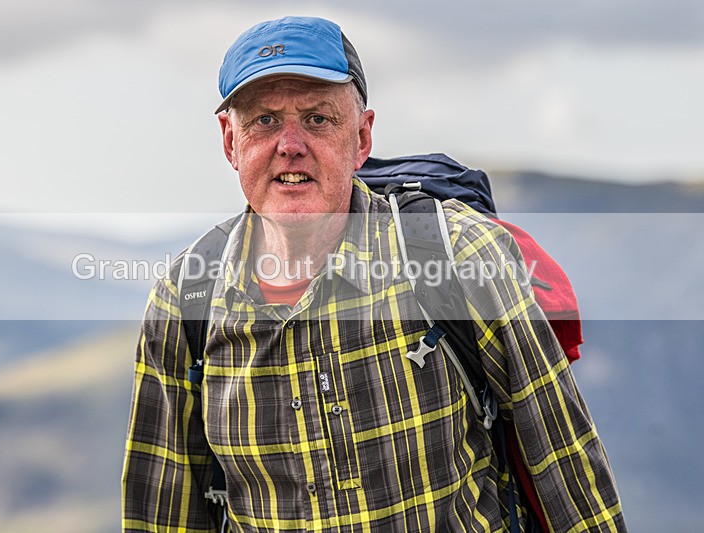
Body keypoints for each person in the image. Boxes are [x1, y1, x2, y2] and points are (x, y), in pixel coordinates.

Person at [122, 16, 626, 532]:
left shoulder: (461, 257)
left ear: (361, 138)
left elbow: (568, 472)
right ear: (231, 141)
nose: (290, 144)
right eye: (265, 121)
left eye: (317, 119)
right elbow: (163, 516)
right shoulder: (185, 300)